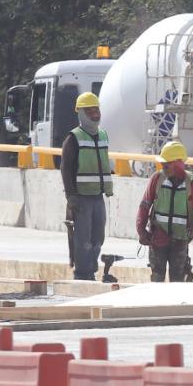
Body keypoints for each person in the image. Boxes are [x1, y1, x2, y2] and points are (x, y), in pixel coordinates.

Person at [136, 141, 193, 282]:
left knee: (177, 281)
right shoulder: (157, 179)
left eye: (166, 164)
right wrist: (141, 231)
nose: (163, 167)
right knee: (157, 279)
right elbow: (144, 206)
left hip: (180, 241)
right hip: (157, 240)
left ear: (178, 163)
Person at [61, 92, 113, 280]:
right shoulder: (73, 138)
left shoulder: (103, 135)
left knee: (97, 238)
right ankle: (83, 274)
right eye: (89, 111)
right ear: (81, 113)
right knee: (83, 240)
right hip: (81, 197)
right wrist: (71, 195)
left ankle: (91, 268)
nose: (94, 114)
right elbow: (66, 168)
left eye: (96, 110)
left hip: (98, 195)